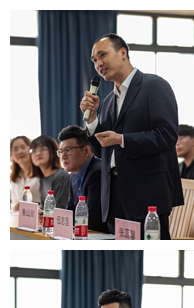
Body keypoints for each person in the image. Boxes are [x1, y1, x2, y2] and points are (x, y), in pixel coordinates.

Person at [80, 33, 183, 239]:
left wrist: (122, 139)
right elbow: (102, 151)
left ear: (123, 53)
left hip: (147, 194)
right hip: (113, 198)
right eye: (94, 60)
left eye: (102, 55)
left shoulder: (154, 85)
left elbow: (167, 135)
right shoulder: (108, 101)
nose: (98, 64)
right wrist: (91, 122)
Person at [57, 125, 109, 233]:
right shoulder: (72, 177)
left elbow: (91, 219)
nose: (63, 157)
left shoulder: (98, 173)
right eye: (60, 152)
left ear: (86, 151)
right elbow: (70, 211)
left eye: (68, 150)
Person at [30, 135, 69, 209]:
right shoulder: (42, 178)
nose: (38, 153)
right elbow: (44, 207)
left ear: (53, 152)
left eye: (43, 149)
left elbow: (60, 210)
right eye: (34, 151)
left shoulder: (61, 176)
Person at [10, 136, 40, 210]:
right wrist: (16, 206)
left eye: (23, 147)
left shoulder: (41, 172)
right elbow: (13, 202)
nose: (19, 152)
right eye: (15, 149)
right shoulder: (14, 176)